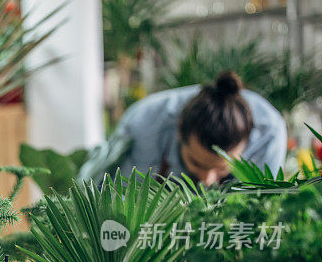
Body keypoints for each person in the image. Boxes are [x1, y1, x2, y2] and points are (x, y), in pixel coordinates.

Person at [113, 71, 287, 185]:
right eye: (197, 163)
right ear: (180, 131)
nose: (208, 180)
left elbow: (262, 203)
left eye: (222, 168)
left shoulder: (269, 133)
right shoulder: (145, 124)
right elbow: (124, 197)